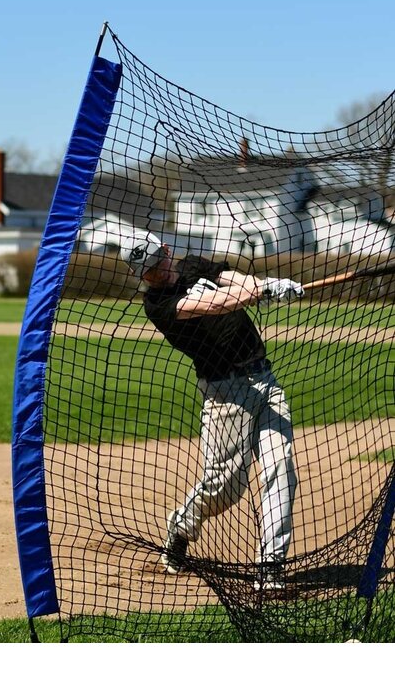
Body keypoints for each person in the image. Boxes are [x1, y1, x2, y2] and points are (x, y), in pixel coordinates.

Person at [120, 228, 303, 592]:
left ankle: (270, 566)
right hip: (225, 393)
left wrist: (264, 283)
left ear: (166, 250)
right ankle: (181, 526)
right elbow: (214, 304)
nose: (157, 273)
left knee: (280, 468)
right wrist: (260, 291)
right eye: (148, 272)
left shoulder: (191, 265)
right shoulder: (158, 304)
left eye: (158, 263)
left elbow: (232, 279)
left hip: (264, 379)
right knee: (225, 486)